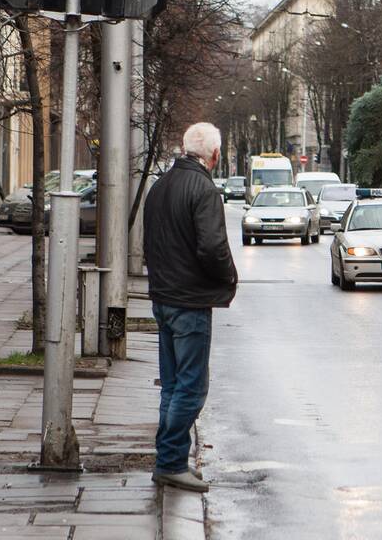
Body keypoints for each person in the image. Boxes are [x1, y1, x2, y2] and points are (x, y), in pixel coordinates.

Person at [144, 123, 238, 493]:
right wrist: (228, 276)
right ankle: (169, 461)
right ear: (214, 155)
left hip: (163, 298)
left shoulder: (160, 186)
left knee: (171, 385)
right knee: (192, 387)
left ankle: (171, 461)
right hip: (190, 301)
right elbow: (212, 248)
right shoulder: (203, 189)